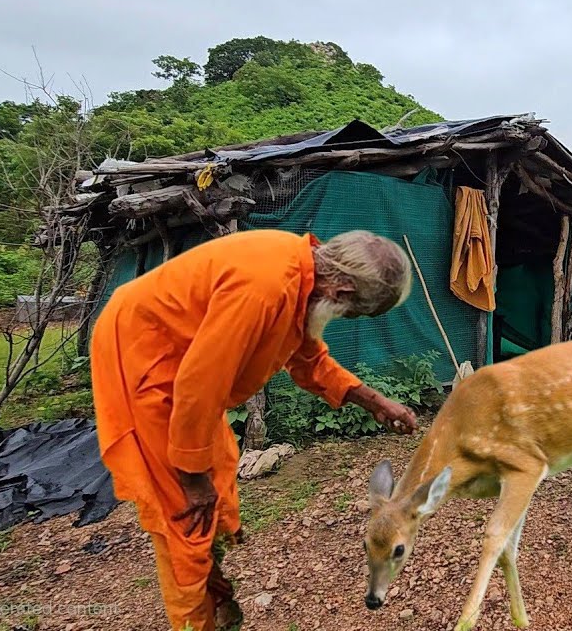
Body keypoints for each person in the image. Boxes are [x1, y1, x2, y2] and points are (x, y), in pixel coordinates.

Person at [90, 229, 420, 631]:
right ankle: (196, 618)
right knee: (184, 512)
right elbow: (198, 385)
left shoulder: (305, 275)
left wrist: (373, 401)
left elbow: (308, 357)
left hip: (186, 369)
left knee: (217, 470)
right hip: (144, 352)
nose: (348, 319)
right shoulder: (265, 288)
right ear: (343, 289)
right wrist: (191, 479)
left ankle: (214, 585)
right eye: (356, 312)